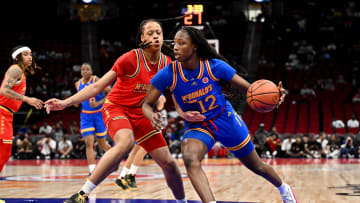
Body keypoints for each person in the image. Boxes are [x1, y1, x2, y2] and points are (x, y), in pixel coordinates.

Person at [142, 26, 297, 203]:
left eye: (181, 43)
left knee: (257, 166)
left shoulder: (215, 66)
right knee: (190, 157)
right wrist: (152, 115)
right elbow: (146, 104)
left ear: (194, 47)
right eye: (174, 43)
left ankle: (284, 190)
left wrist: (275, 95)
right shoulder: (168, 73)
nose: (175, 47)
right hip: (198, 125)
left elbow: (251, 90)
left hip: (225, 119)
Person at [45, 19, 186, 203]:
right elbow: (97, 87)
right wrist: (66, 102)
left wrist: (177, 110)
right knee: (125, 142)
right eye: (150, 33)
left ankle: (182, 201)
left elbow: (175, 92)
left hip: (142, 113)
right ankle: (81, 195)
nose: (155, 36)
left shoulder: (167, 64)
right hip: (117, 108)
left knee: (169, 163)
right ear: (142, 37)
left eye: (158, 32)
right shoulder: (129, 59)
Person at [0, 45, 43, 173]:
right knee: (4, 152)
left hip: (7, 114)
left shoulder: (21, 73)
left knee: (4, 153)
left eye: (30, 54)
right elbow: (3, 90)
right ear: (17, 57)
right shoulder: (15, 69)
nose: (30, 56)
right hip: (2, 112)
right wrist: (28, 99)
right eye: (25, 54)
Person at [115, 94, 166, 190]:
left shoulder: (143, 87)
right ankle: (131, 175)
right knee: (144, 149)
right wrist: (161, 100)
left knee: (135, 150)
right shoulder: (154, 88)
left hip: (137, 118)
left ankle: (122, 176)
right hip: (145, 120)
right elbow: (159, 106)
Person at [75, 63, 111, 174]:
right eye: (83, 70)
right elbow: (79, 98)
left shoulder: (96, 80)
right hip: (86, 116)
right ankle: (92, 170)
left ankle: (116, 156)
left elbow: (110, 93)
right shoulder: (77, 84)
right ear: (81, 72)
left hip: (99, 114)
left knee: (102, 144)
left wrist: (99, 103)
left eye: (87, 69)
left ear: (91, 71)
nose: (85, 71)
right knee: (88, 143)